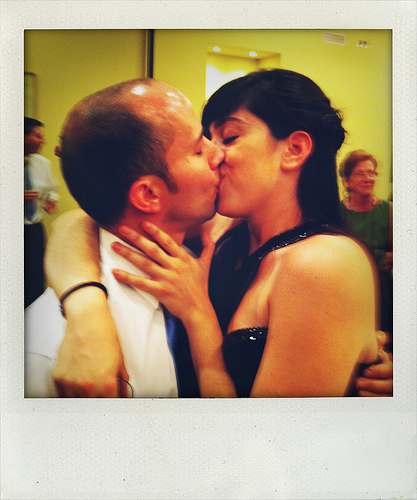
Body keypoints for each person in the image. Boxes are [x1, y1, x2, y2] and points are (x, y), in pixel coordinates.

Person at [44, 70, 393, 398]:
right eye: (203, 142)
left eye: (229, 137)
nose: (214, 154)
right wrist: (87, 311)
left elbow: (266, 436)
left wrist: (199, 314)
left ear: (294, 150)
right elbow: (93, 218)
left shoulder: (323, 262)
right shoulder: (228, 231)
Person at [24, 79, 223, 397]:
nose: (219, 153)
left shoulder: (215, 239)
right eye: (199, 149)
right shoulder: (56, 354)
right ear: (148, 194)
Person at [339, 149, 393, 343]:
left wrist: (364, 255)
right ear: (347, 182)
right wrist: (381, 257)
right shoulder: (338, 213)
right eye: (360, 174)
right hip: (350, 289)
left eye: (371, 173)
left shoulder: (389, 210)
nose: (368, 179)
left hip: (383, 290)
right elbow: (340, 257)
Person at [24, 117, 59, 307]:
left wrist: (50, 201)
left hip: (35, 230)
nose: (43, 141)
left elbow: (51, 190)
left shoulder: (43, 163)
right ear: (23, 137)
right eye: (38, 136)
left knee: (36, 276)